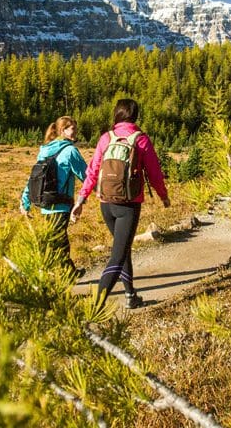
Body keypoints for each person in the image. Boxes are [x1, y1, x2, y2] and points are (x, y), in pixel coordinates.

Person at [71, 99, 170, 309]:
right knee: (117, 256)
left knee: (122, 248)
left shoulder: (106, 138)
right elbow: (154, 173)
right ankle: (95, 307)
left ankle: (130, 294)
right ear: (135, 116)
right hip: (129, 204)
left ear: (117, 114)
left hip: (106, 204)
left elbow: (93, 171)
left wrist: (81, 199)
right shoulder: (141, 139)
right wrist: (163, 196)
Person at [21, 116, 88, 275]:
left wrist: (25, 201)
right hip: (60, 205)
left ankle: (61, 274)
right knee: (58, 243)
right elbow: (87, 176)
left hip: (45, 205)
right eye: (72, 128)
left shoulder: (44, 150)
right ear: (62, 130)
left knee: (55, 241)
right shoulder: (71, 151)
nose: (75, 131)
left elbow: (34, 178)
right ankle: (66, 277)